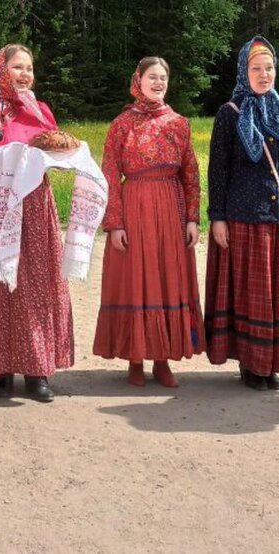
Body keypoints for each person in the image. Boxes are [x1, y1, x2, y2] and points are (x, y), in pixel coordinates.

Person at [0, 44, 73, 402]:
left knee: (35, 280)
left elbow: (52, 145)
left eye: (30, 68)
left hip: (33, 201)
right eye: (18, 67)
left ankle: (37, 370)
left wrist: (61, 153)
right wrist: (8, 156)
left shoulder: (40, 109)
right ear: (1, 70)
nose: (25, 74)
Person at [205, 36, 279, 391]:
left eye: (269, 68)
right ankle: (251, 364)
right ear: (243, 71)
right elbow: (217, 170)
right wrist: (217, 216)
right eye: (256, 68)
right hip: (241, 216)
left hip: (276, 214)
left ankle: (269, 363)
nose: (264, 75)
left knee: (273, 294)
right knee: (249, 294)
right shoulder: (229, 114)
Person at [93, 57, 204, 387]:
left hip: (170, 208)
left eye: (163, 77)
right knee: (136, 280)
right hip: (135, 207)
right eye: (152, 77)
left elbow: (191, 173)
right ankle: (135, 359)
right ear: (137, 80)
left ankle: (163, 359)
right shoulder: (122, 124)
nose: (158, 82)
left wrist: (192, 219)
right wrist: (115, 223)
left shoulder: (179, 123)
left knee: (168, 279)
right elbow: (110, 174)